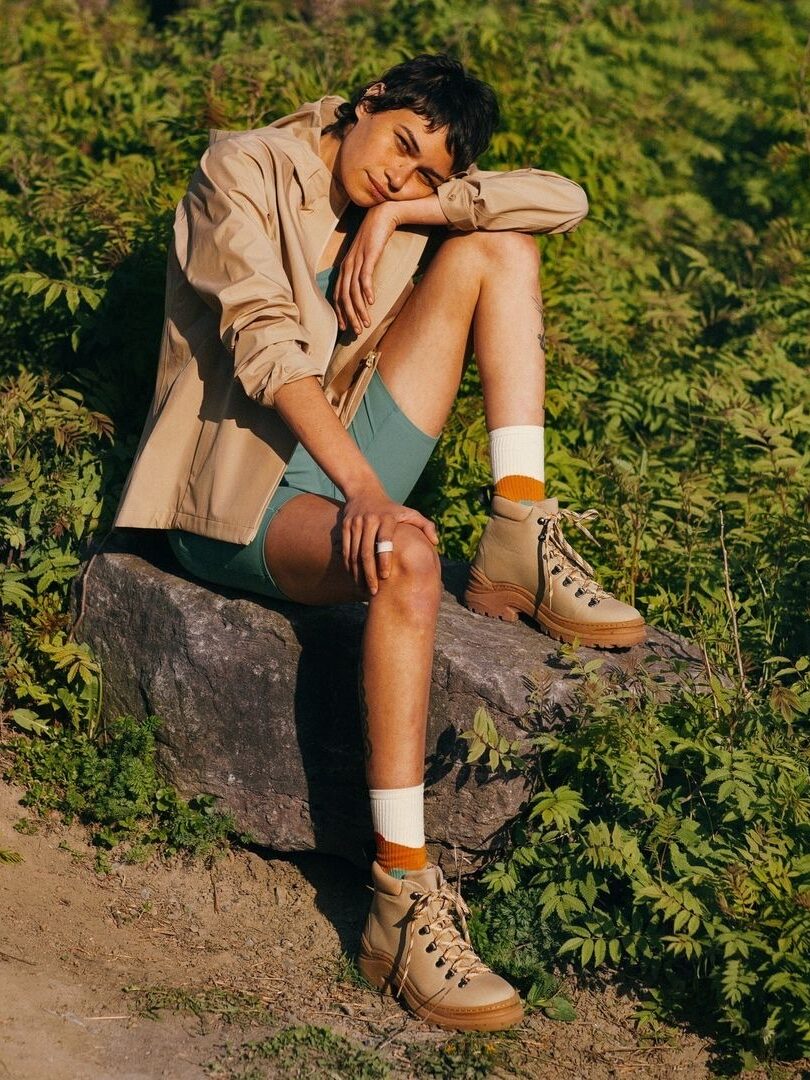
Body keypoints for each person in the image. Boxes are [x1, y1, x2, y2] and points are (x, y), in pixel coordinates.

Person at [114, 54, 644, 1031]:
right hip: (241, 498)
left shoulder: (398, 203)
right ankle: (401, 902)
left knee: (502, 251)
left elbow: (559, 200)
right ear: (364, 105)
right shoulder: (241, 167)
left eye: (422, 173)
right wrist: (366, 494)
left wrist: (412, 217)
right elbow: (265, 343)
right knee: (403, 555)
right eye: (397, 147)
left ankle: (521, 529)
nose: (395, 176)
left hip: (354, 444)